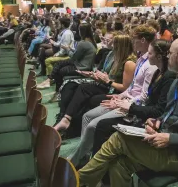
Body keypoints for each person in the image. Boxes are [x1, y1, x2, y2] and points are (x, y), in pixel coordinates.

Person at [78, 38, 178, 187]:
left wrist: (171, 138)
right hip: (168, 146)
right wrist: (157, 121)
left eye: (170, 53)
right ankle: (83, 180)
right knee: (119, 164)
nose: (167, 56)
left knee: (119, 139)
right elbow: (170, 113)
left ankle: (80, 180)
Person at [66, 25, 158, 166]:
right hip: (125, 99)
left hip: (132, 105)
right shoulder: (141, 59)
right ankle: (83, 155)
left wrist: (124, 101)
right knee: (87, 116)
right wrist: (120, 96)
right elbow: (132, 87)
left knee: (93, 125)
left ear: (143, 40)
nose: (132, 43)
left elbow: (144, 96)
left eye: (134, 40)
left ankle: (79, 161)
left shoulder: (149, 65)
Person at [91, 40, 176, 164]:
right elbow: (147, 100)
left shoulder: (169, 77)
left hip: (150, 120)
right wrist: (125, 102)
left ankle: (98, 172)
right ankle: (99, 169)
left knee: (102, 126)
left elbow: (159, 110)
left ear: (159, 57)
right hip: (142, 113)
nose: (147, 55)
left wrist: (130, 107)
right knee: (102, 124)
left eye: (150, 53)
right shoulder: (158, 72)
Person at [53, 34, 137, 134]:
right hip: (107, 87)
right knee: (72, 86)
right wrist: (96, 76)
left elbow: (124, 88)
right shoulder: (114, 57)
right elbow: (106, 76)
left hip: (117, 93)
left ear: (121, 46)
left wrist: (107, 81)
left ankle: (67, 121)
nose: (112, 46)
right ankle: (65, 119)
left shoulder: (129, 63)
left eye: (115, 44)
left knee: (84, 92)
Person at [36, 23, 97, 98]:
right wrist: (71, 49)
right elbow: (80, 54)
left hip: (81, 67)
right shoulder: (91, 41)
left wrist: (67, 49)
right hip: (81, 63)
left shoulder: (83, 43)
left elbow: (73, 57)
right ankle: (50, 82)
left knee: (61, 70)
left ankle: (57, 90)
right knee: (59, 64)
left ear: (81, 32)